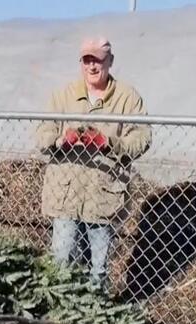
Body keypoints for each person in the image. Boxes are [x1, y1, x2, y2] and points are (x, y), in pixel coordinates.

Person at [36, 37, 151, 290]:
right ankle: (62, 314)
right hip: (65, 193)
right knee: (61, 260)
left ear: (110, 61)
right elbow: (42, 134)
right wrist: (60, 140)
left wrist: (108, 142)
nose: (92, 66)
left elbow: (142, 137)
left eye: (97, 60)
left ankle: (95, 316)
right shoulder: (63, 95)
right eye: (87, 60)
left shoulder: (126, 98)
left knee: (97, 268)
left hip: (103, 196)